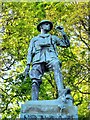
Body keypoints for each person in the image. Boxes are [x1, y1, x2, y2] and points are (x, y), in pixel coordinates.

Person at [25, 20, 70, 100]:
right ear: (41, 26)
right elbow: (30, 52)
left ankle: (61, 92)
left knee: (56, 64)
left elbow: (66, 44)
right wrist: (28, 65)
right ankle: (34, 100)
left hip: (51, 58)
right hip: (38, 60)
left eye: (49, 24)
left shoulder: (53, 38)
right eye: (46, 24)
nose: (48, 25)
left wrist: (62, 33)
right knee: (35, 78)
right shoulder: (34, 39)